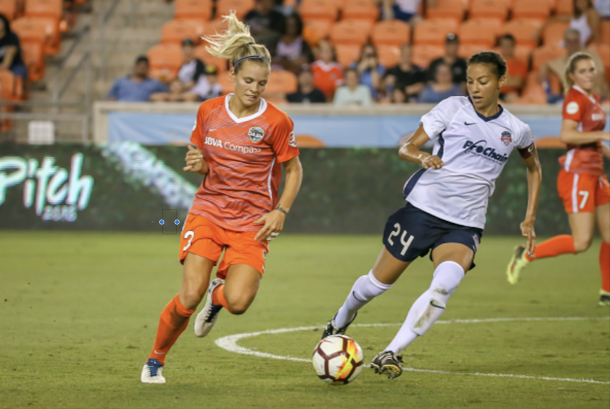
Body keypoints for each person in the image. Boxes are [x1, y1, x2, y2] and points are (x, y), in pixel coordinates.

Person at [322, 51, 541, 379]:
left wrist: (530, 217)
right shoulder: (452, 109)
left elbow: (534, 168)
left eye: (483, 81)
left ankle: (392, 352)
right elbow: (406, 147)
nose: (475, 88)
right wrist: (422, 156)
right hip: (422, 212)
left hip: (465, 225)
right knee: (375, 286)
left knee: (444, 286)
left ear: (501, 82)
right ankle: (341, 319)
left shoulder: (516, 129)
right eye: (470, 81)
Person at [140, 12, 303, 384]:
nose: (255, 88)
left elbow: (293, 170)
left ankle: (220, 299)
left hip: (253, 221)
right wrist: (197, 164)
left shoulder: (277, 122)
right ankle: (156, 359)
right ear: (231, 75)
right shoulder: (208, 111)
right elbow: (200, 161)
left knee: (240, 303)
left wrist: (281, 210)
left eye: (262, 83)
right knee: (189, 294)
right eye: (248, 80)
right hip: (209, 212)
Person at [507, 52, 610, 307]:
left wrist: (604, 147)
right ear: (572, 75)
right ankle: (526, 255)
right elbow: (568, 134)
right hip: (578, 176)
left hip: (595, 174)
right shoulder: (574, 100)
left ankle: (607, 292)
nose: (589, 74)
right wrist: (606, 136)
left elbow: (590, 136)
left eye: (591, 69)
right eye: (583, 70)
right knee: (581, 242)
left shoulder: (593, 98)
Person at [539, 28, 607, 102]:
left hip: (592, 96)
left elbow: (599, 74)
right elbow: (546, 66)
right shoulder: (562, 61)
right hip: (572, 98)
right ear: (564, 43)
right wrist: (546, 87)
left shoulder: (590, 56)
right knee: (552, 99)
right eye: (569, 41)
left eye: (575, 41)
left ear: (579, 42)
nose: (572, 45)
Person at [497, 34, 527, 103]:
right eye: (503, 46)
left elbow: (517, 83)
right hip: (494, 93)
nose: (505, 48)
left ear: (513, 47)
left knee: (513, 98)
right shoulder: (494, 63)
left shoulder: (520, 64)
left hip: (509, 94)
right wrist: (509, 78)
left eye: (508, 46)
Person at [0, 13, 28, 80]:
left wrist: (2, 69)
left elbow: (6, 63)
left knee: (13, 76)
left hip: (14, 66)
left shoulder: (12, 37)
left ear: (4, 24)